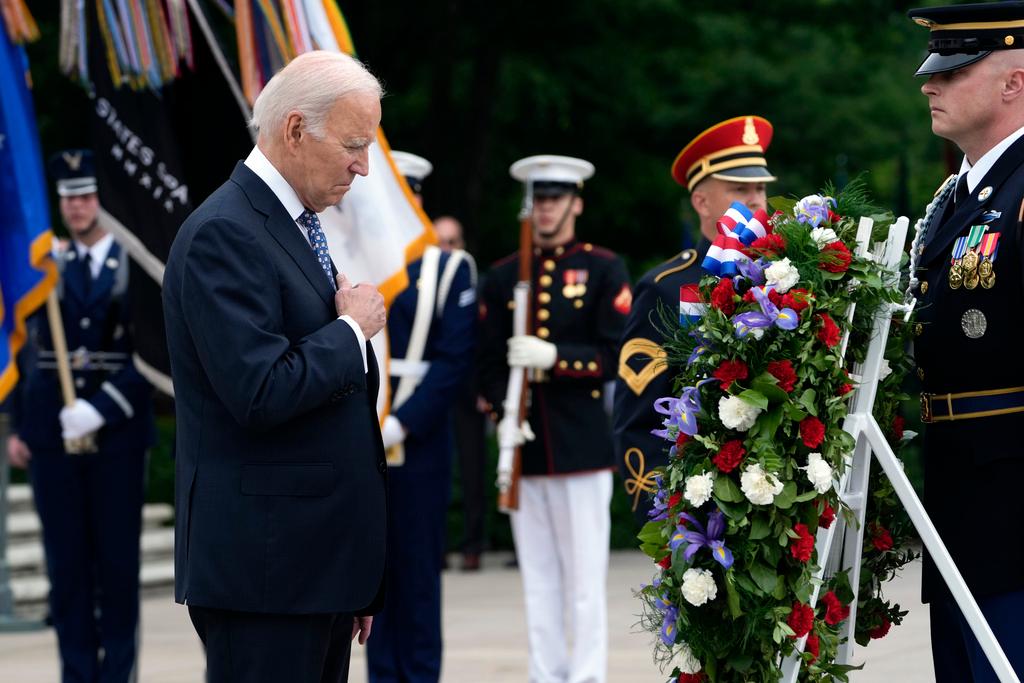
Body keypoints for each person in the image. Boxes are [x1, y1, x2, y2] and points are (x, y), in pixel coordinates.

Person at [162, 51, 389, 683]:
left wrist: (352, 573)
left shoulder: (290, 227)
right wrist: (352, 329)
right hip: (265, 574)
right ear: (294, 130)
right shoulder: (226, 232)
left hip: (313, 570)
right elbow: (259, 390)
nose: (362, 166)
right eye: (353, 144)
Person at [479, 155, 631, 683]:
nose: (545, 210)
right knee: (539, 579)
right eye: (538, 200)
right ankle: (546, 674)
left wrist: (553, 357)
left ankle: (587, 675)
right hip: (524, 444)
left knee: (584, 580)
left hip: (580, 446)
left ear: (576, 203)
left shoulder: (602, 268)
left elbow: (615, 357)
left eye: (555, 199)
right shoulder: (502, 277)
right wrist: (502, 412)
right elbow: (486, 362)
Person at [6, 149, 154, 682]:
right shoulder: (44, 271)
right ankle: (76, 674)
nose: (78, 207)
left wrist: (99, 409)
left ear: (103, 199)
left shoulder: (133, 265)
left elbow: (153, 357)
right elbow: (25, 351)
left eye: (87, 196)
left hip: (116, 438)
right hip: (53, 439)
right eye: (69, 198)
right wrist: (21, 423)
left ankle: (117, 674)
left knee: (116, 570)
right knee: (66, 571)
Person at [907, 4, 1024, 681]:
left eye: (953, 71)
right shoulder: (958, 196)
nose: (930, 84)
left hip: (1014, 512)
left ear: (1013, 83)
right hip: (956, 495)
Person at [613, 116, 776, 520]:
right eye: (740, 189)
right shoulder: (665, 288)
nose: (756, 199)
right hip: (705, 507)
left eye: (760, 188)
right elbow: (639, 414)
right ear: (701, 202)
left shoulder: (788, 278)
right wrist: (661, 515)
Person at [368, 152, 477, 683]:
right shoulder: (355, 260)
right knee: (371, 577)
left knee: (417, 574)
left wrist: (402, 421)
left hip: (421, 438)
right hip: (363, 436)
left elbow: (454, 361)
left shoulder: (451, 268)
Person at [433, 215, 489, 572]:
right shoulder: (416, 282)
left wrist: (484, 389)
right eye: (440, 242)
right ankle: (435, 546)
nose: (446, 250)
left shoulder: (475, 284)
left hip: (468, 390)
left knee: (472, 471)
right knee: (434, 472)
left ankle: (473, 544)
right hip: (432, 390)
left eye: (452, 242)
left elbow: (483, 341)